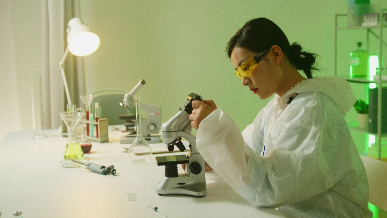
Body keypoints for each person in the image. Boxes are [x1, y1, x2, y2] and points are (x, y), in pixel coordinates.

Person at [189, 18, 372, 218]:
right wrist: (213, 156)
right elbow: (247, 147)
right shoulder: (279, 106)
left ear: (275, 54)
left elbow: (267, 188)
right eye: (238, 72)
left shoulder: (312, 111)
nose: (243, 81)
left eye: (246, 67)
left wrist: (216, 130)